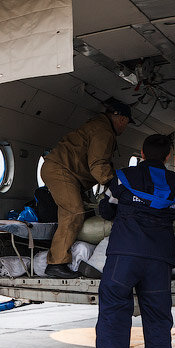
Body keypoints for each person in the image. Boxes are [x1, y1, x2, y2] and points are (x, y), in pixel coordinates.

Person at [86, 134, 175, 348]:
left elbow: (105, 208)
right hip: (159, 260)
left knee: (113, 316)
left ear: (142, 153)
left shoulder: (123, 177)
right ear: (168, 156)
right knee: (158, 322)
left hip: (124, 256)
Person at [40, 99, 133, 279]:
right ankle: (56, 263)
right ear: (121, 119)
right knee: (74, 212)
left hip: (67, 172)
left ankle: (64, 255)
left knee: (82, 212)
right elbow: (98, 165)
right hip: (62, 170)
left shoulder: (99, 126)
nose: (125, 127)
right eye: (126, 123)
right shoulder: (104, 132)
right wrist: (115, 186)